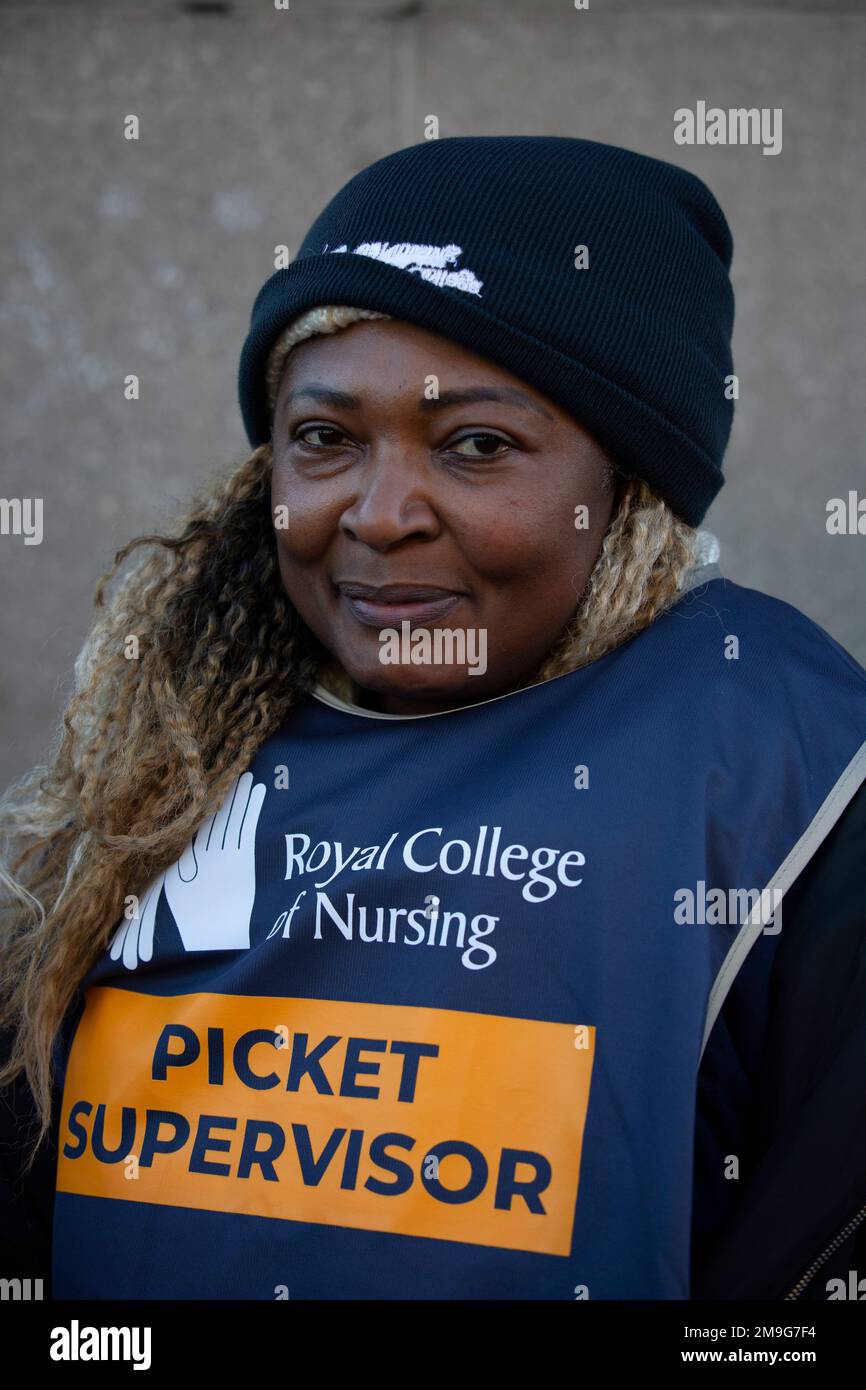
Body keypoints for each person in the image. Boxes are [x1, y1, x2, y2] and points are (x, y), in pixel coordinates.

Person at [1, 135, 865, 1301]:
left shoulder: (791, 774)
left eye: (475, 445)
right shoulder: (169, 740)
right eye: (325, 439)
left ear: (628, 484)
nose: (379, 512)